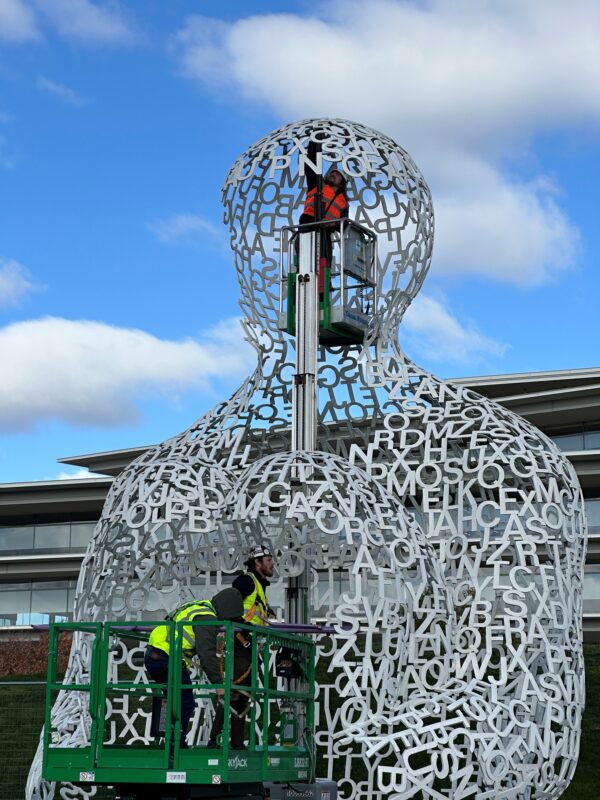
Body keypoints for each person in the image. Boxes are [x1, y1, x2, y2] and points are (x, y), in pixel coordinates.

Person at [145, 587, 244, 748]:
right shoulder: (207, 617)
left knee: (176, 702)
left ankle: (172, 744)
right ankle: (176, 747)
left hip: (159, 654)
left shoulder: (201, 606)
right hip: (166, 657)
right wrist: (218, 685)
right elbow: (207, 654)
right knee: (185, 703)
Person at [299, 141, 349, 293]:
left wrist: (332, 225)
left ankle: (323, 287)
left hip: (325, 231)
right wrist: (314, 143)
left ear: (342, 183)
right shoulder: (317, 184)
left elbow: (344, 225)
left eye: (337, 174)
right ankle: (302, 283)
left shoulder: (343, 203)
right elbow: (310, 166)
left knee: (324, 259)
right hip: (308, 224)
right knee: (304, 257)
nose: (333, 174)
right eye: (332, 173)